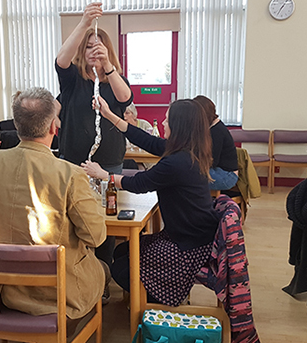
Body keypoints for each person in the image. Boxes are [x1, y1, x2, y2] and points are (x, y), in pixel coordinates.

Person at [0, 87, 107, 323]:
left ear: (16, 125)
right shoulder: (70, 174)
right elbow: (95, 236)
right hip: (52, 295)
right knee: (102, 272)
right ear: (53, 127)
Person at [82, 98, 220, 306]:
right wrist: (109, 114)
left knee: (120, 269)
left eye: (167, 120)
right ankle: (144, 296)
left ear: (179, 126)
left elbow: (139, 183)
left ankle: (157, 300)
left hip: (187, 247)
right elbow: (146, 140)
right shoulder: (189, 151)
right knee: (121, 251)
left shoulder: (177, 162)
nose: (163, 123)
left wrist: (104, 175)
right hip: (192, 236)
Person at [55, 2, 133, 174]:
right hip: (74, 160)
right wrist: (84, 23)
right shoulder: (73, 78)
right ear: (82, 51)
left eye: (98, 48)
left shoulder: (116, 79)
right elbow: (61, 61)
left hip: (110, 160)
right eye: (89, 47)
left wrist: (106, 64)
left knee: (109, 201)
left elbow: (125, 98)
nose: (93, 52)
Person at [193, 95, 239, 190]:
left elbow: (211, 161)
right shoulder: (212, 128)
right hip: (219, 170)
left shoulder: (216, 131)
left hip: (226, 175)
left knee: (187, 178)